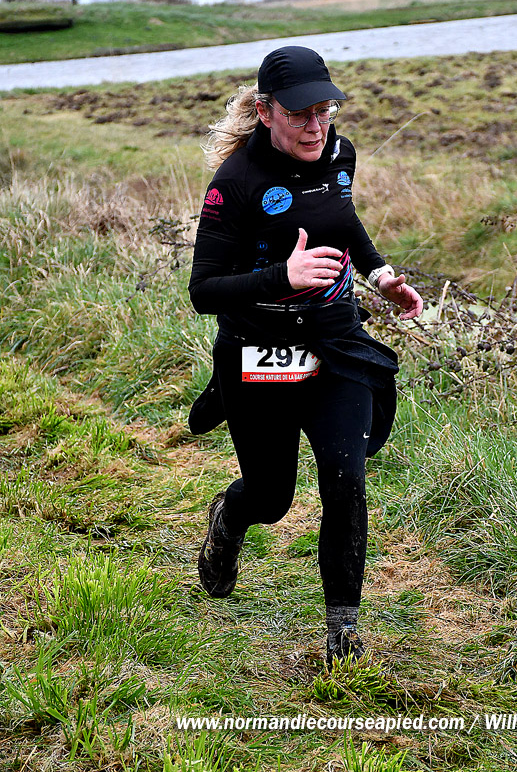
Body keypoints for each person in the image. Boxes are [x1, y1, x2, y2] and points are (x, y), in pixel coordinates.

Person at [188, 46, 423, 666]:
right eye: (299, 115)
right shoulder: (235, 183)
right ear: (266, 112)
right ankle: (229, 517)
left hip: (333, 340)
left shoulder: (340, 153)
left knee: (346, 480)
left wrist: (381, 275)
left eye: (324, 110)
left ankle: (343, 634)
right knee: (272, 499)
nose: (316, 126)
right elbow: (203, 291)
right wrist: (282, 276)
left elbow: (342, 220)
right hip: (257, 351)